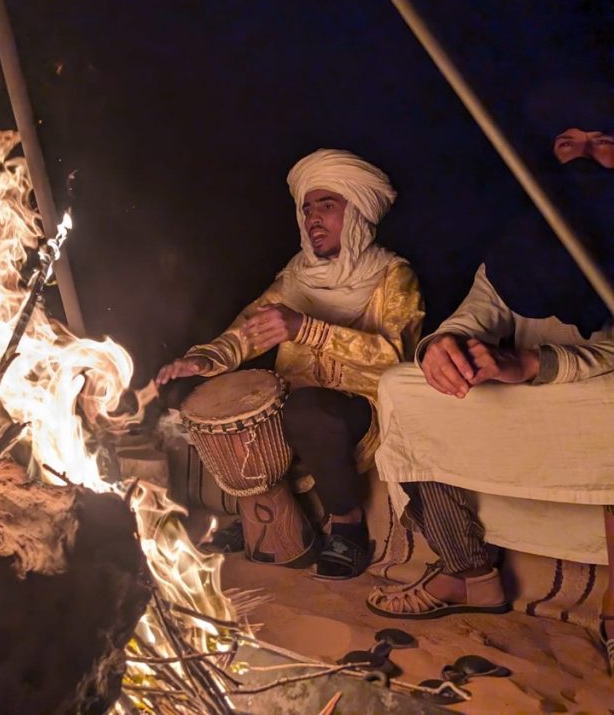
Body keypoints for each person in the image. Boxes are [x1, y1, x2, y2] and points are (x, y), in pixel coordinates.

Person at [368, 120, 614, 674]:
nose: (581, 157)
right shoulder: (519, 245)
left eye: (602, 142)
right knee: (403, 390)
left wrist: (532, 363)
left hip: (592, 410)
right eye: (566, 143)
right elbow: (473, 314)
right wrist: (442, 346)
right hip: (523, 408)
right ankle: (470, 570)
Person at [156, 149, 424, 579]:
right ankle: (264, 517)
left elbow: (395, 355)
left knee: (310, 410)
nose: (312, 217)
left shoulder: (394, 276)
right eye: (307, 208)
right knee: (228, 404)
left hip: (362, 407)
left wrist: (307, 329)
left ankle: (348, 526)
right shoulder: (297, 277)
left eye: (327, 205)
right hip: (295, 400)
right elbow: (247, 329)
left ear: (357, 214)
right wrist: (201, 361)